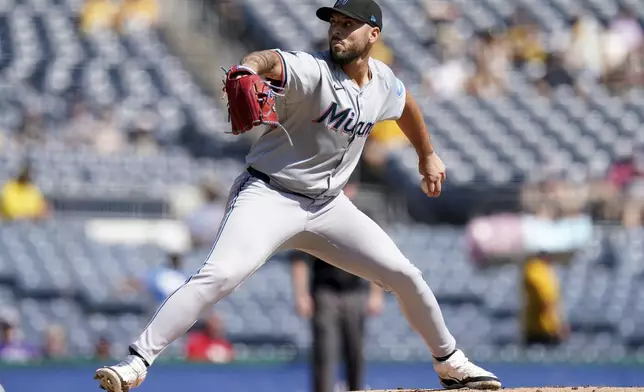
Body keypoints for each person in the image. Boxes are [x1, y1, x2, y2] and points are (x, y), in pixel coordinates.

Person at [94, 1, 502, 390]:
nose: (337, 30)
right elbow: (270, 59)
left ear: (373, 33)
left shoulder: (382, 82)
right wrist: (247, 69)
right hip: (270, 196)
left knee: (405, 275)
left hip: (329, 207)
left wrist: (427, 154)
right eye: (334, 23)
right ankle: (135, 363)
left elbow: (406, 104)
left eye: (348, 24)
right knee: (221, 275)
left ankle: (449, 363)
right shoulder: (314, 71)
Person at [291, 181, 384, 392]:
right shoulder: (315, 215)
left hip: (354, 290)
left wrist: (376, 294)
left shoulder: (362, 218)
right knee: (325, 351)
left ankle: (356, 389)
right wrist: (301, 294)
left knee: (356, 351)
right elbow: (299, 258)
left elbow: (376, 257)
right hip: (325, 291)